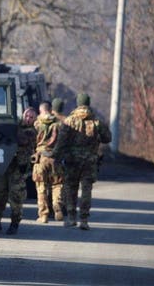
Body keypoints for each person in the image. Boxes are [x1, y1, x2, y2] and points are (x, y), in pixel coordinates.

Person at [53, 93, 111, 230]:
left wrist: (55, 157)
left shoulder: (69, 121)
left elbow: (61, 142)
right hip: (89, 161)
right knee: (86, 190)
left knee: (70, 188)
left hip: (72, 161)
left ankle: (72, 218)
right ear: (88, 103)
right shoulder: (96, 121)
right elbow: (107, 138)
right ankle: (84, 220)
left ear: (78, 104)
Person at [0, 107, 37, 235]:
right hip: (6, 164)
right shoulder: (15, 125)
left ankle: (14, 223)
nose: (28, 119)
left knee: (16, 195)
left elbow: (22, 138)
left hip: (19, 167)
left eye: (31, 117)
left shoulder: (31, 131)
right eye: (27, 116)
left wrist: (8, 131)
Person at [32, 101, 64, 223]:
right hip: (54, 158)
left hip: (40, 158)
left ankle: (43, 215)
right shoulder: (58, 124)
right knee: (57, 184)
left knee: (41, 187)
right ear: (51, 110)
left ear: (40, 110)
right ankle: (57, 204)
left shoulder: (36, 123)